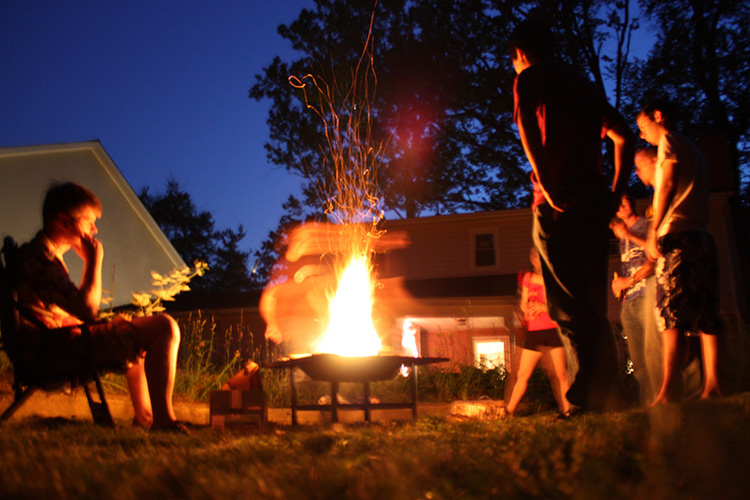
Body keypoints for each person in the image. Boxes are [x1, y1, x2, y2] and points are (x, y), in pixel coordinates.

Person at [508, 20, 635, 412]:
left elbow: (528, 125)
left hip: (559, 200)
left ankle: (588, 395)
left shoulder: (531, 77)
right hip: (595, 197)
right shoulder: (582, 84)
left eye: (513, 60)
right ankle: (607, 392)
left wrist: (546, 182)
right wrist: (614, 193)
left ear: (522, 54)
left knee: (565, 300)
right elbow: (624, 136)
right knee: (593, 298)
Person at [16, 182, 185, 431]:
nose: (95, 229)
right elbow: (86, 310)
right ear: (65, 222)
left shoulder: (40, 255)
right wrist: (94, 261)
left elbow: (69, 312)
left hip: (53, 345)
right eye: (89, 221)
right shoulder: (41, 259)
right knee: (164, 326)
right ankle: (164, 421)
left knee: (134, 327)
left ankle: (146, 417)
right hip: (53, 353)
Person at [636, 101, 723, 404]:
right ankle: (712, 385)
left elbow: (669, 182)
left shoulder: (669, 141)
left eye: (643, 127)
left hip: (678, 237)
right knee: (707, 314)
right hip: (702, 235)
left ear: (658, 116)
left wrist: (653, 230)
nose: (643, 135)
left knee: (672, 314)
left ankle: (669, 390)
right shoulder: (696, 151)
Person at [506, 247, 571, 417]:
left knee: (561, 374)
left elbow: (562, 305)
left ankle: (568, 411)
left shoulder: (554, 279)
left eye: (540, 256)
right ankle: (509, 411)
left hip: (554, 330)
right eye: (534, 256)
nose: (536, 259)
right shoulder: (528, 278)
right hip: (535, 332)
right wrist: (526, 310)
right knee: (522, 374)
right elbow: (523, 304)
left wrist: (544, 307)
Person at [610, 193, 660, 404]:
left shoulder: (648, 225)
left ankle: (663, 399)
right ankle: (648, 403)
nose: (621, 206)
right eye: (617, 204)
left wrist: (628, 281)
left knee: (653, 352)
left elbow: (655, 257)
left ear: (632, 202)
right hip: (628, 301)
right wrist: (618, 285)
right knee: (638, 359)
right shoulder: (621, 237)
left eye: (625, 200)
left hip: (647, 295)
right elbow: (629, 265)